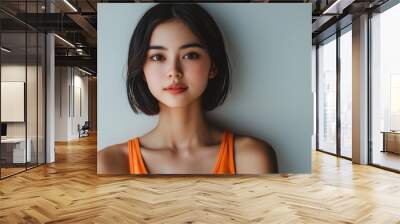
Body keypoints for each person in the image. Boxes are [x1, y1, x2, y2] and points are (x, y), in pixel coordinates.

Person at [98, 3, 278, 174]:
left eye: (190, 55)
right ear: (142, 70)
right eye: (157, 57)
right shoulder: (111, 162)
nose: (174, 72)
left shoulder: (251, 158)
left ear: (213, 66)